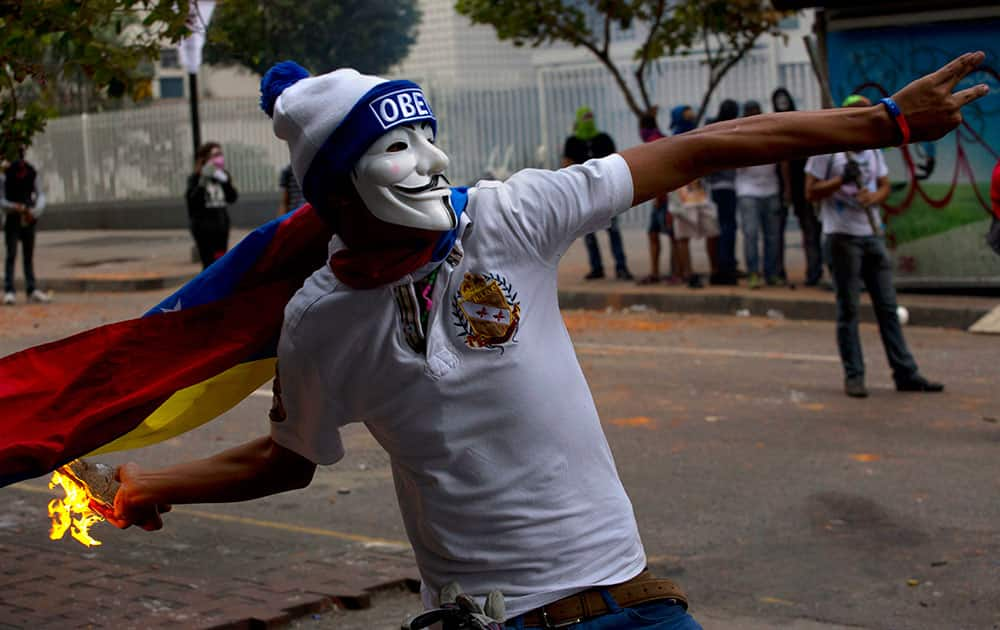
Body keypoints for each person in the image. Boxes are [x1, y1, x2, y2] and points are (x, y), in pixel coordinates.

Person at [108, 53, 988, 629]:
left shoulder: (509, 217)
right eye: (394, 148)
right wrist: (155, 482)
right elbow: (290, 456)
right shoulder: (321, 318)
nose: (429, 163)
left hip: (637, 602)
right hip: (490, 619)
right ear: (336, 187)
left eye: (427, 138)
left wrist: (883, 123)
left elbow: (697, 151)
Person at [805, 94, 946, 399]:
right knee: (849, 310)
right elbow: (810, 192)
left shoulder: (872, 151)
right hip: (841, 237)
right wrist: (839, 181)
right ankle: (854, 375)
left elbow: (883, 185)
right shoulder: (828, 152)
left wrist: (873, 198)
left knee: (887, 308)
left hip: (872, 234)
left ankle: (905, 372)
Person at [563, 106, 633, 281]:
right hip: (584, 194)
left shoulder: (604, 139)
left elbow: (615, 161)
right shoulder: (572, 142)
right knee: (588, 233)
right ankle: (596, 268)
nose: (588, 120)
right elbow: (566, 165)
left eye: (590, 116)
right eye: (584, 117)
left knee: (613, 231)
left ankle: (621, 266)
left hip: (607, 192)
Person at [773, 88, 823, 286]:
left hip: (803, 187)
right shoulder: (772, 125)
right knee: (777, 234)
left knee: (810, 231)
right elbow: (782, 161)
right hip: (782, 188)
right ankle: (777, 272)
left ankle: (814, 271)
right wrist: (786, 189)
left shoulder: (798, 124)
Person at [668, 105, 718, 289]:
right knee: (683, 235)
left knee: (712, 230)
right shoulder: (673, 141)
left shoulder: (698, 136)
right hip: (682, 195)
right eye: (686, 112)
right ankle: (688, 273)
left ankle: (714, 270)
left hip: (701, 192)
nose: (691, 114)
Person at [735, 100, 783, 289]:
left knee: (772, 236)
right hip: (748, 191)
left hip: (771, 189)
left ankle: (771, 273)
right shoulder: (738, 134)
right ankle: (753, 273)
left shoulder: (769, 131)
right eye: (750, 112)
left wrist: (785, 188)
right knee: (751, 234)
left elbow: (782, 160)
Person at [3, 149, 50, 306]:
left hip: (28, 218)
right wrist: (15, 207)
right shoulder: (5, 176)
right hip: (13, 219)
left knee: (28, 256)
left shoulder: (31, 172)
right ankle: (9, 290)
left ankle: (31, 289)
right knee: (11, 255)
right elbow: (1, 201)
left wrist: (34, 211)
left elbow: (40, 195)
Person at [637, 108, 679, 285]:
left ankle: (672, 272)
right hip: (664, 196)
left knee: (668, 234)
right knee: (657, 233)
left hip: (663, 198)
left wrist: (658, 197)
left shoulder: (653, 142)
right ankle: (663, 272)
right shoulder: (659, 138)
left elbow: (660, 172)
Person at [704, 99, 741, 285]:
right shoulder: (731, 129)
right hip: (727, 186)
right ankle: (726, 265)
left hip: (715, 187)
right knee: (728, 227)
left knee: (721, 226)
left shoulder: (712, 129)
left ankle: (722, 264)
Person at [186, 142, 238, 269]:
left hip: (221, 227)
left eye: (220, 154)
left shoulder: (222, 176)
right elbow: (192, 202)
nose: (219, 158)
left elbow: (232, 198)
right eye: (215, 155)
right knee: (209, 264)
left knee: (221, 262)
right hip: (203, 229)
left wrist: (225, 181)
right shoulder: (195, 178)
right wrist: (203, 180)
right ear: (205, 158)